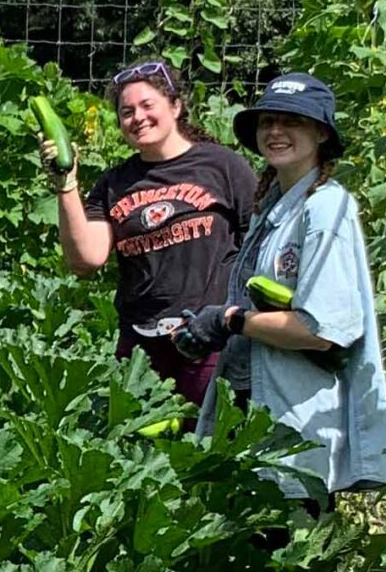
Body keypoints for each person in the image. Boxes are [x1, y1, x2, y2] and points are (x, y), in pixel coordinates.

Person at [170, 70, 386, 502]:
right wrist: (211, 328)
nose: (275, 131)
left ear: (322, 134)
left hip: (293, 427)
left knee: (282, 552)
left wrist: (232, 321)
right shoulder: (272, 208)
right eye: (267, 121)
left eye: (292, 121)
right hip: (254, 410)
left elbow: (320, 330)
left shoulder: (325, 209)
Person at [47, 56, 260, 405]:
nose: (138, 118)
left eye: (148, 105)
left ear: (175, 105)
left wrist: (235, 317)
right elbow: (86, 260)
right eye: (126, 112)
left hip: (207, 340)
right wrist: (66, 185)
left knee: (208, 448)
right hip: (141, 349)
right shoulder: (114, 183)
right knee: (138, 453)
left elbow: (258, 244)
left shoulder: (223, 166)